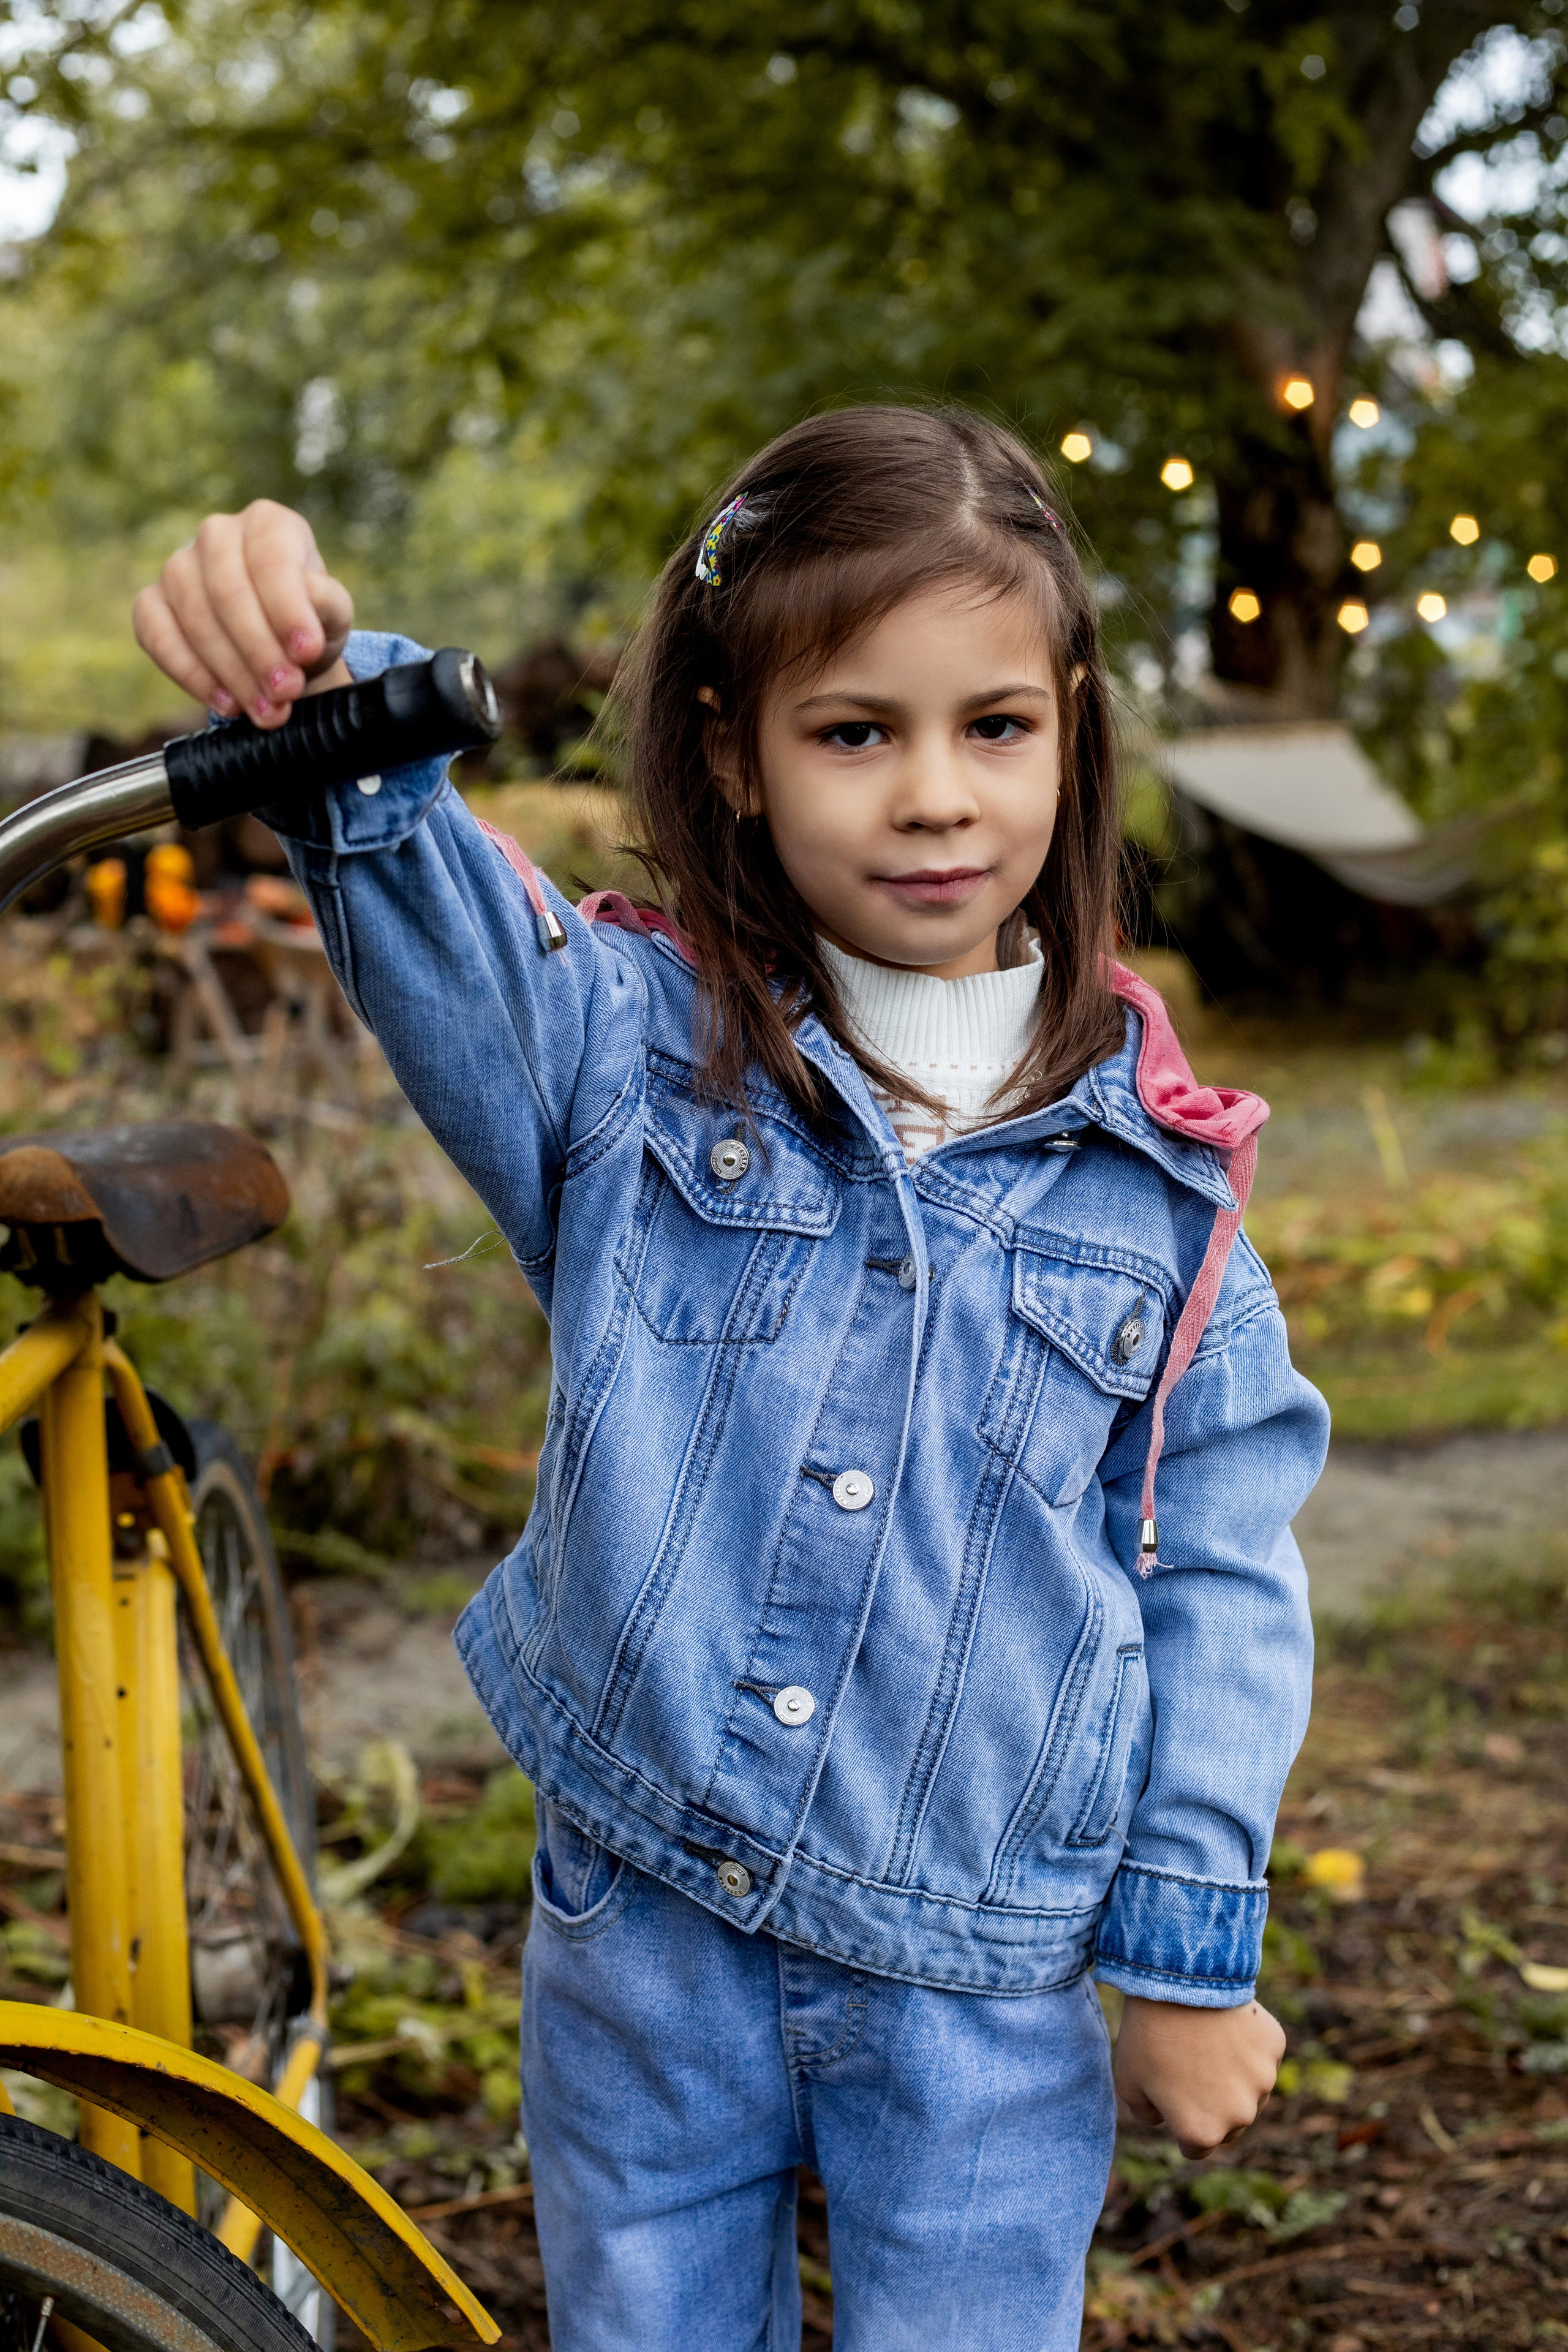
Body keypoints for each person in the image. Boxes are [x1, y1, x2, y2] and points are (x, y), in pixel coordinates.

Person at [134, 404, 1327, 2352]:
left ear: (1071, 730)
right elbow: (414, 865)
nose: (934, 796)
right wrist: (311, 674)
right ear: (733, 757)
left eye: (994, 727)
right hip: (647, 1932)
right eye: (855, 733)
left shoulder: (1163, 1204)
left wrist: (1187, 1949)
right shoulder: (626, 1057)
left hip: (977, 1971)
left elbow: (1219, 1578)